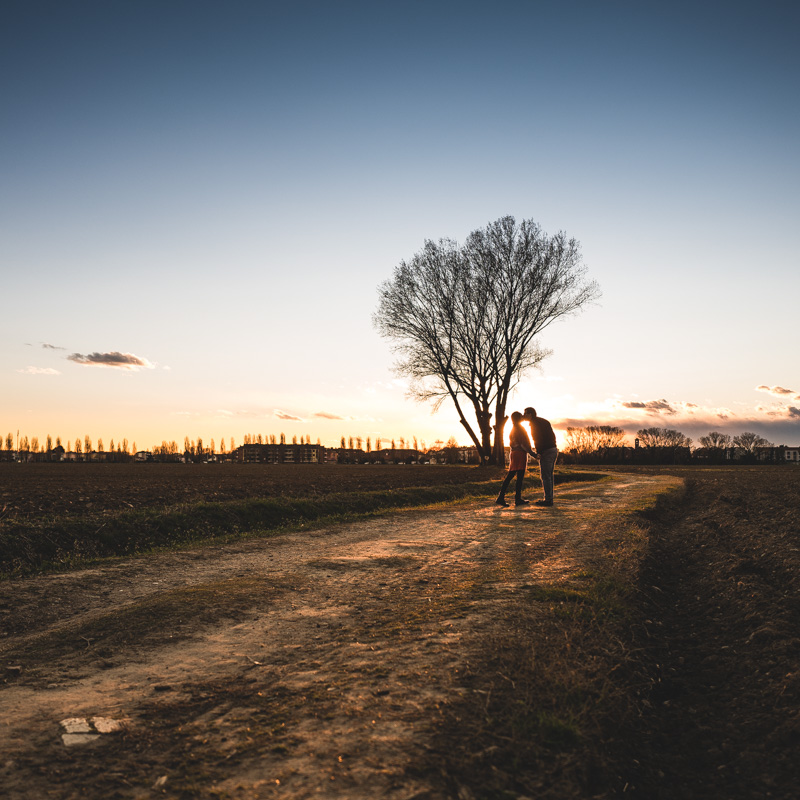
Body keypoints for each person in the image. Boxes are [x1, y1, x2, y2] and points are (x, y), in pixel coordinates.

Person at [495, 411, 536, 507]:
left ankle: (502, 497)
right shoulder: (520, 429)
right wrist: (533, 454)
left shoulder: (513, 429)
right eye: (521, 416)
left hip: (513, 453)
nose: (523, 417)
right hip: (520, 453)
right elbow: (523, 444)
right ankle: (516, 499)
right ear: (519, 418)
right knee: (519, 477)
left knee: (511, 475)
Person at [524, 407, 558, 506]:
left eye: (525, 413)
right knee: (549, 476)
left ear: (530, 414)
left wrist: (539, 452)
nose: (524, 415)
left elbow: (537, 438)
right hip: (553, 449)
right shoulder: (544, 421)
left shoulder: (534, 424)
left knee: (545, 476)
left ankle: (548, 500)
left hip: (546, 451)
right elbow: (552, 436)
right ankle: (549, 498)